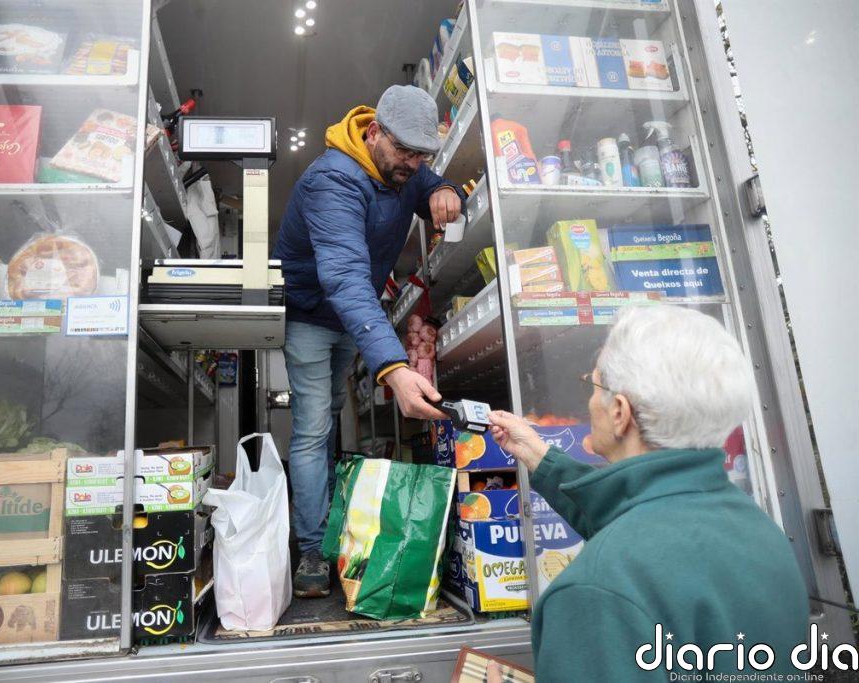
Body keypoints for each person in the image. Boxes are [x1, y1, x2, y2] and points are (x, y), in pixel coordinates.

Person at [487, 305, 808, 681]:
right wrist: (540, 456)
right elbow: (642, 522)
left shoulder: (596, 590)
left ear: (620, 412)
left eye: (593, 385)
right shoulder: (761, 534)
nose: (590, 402)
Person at [274, 85, 464, 597]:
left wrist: (445, 190)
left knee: (332, 412)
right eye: (404, 152)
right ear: (374, 132)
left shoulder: (405, 162)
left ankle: (332, 528)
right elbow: (345, 280)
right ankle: (312, 552)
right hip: (314, 314)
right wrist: (394, 368)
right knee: (314, 427)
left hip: (348, 321)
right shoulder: (332, 181)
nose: (412, 163)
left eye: (422, 154)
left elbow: (424, 182)